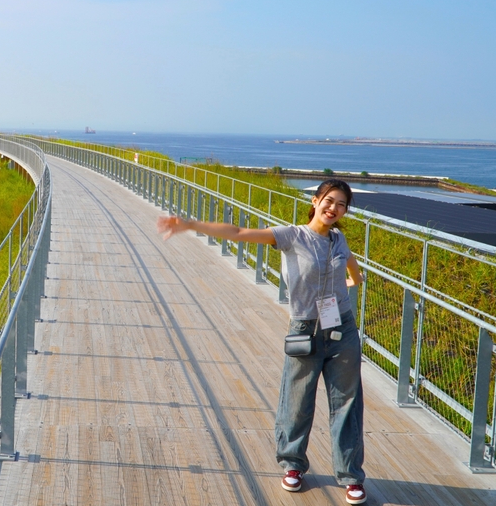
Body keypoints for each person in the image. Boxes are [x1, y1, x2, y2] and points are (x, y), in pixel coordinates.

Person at [157, 179, 367, 504]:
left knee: (347, 403)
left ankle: (351, 476)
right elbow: (239, 232)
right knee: (297, 400)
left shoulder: (338, 238)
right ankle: (292, 464)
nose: (334, 208)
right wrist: (190, 224)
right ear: (315, 201)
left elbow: (349, 260)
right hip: (306, 328)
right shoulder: (292, 236)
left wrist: (355, 277)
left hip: (342, 328)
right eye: (329, 200)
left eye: (341, 204)